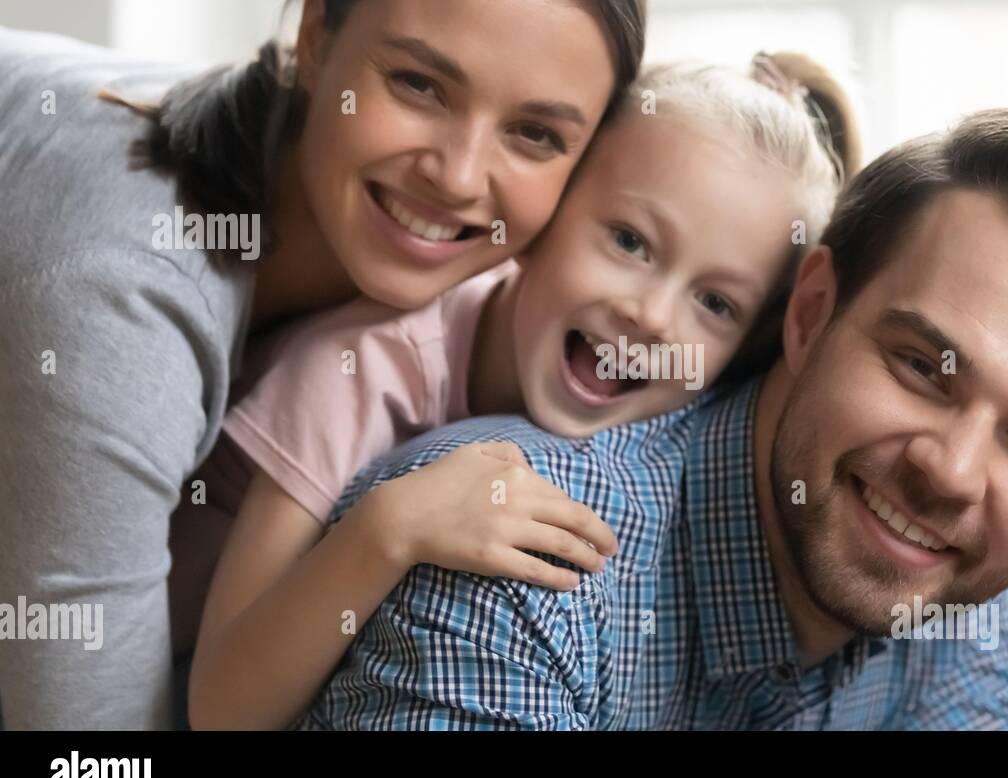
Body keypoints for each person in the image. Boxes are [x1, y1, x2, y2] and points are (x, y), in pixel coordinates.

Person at [299, 108, 1008, 730]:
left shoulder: (948, 588)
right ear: (810, 313)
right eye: (924, 368)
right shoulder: (517, 559)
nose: (954, 472)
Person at [0, 0, 646, 730]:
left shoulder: (485, 285)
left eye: (534, 133)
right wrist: (386, 531)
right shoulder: (119, 302)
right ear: (313, 37)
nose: (460, 177)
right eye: (419, 84)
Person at [187, 55, 863, 730]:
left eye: (716, 301)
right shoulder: (352, 371)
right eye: (629, 241)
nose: (653, 317)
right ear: (543, 217)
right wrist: (390, 528)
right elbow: (220, 708)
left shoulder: (669, 433)